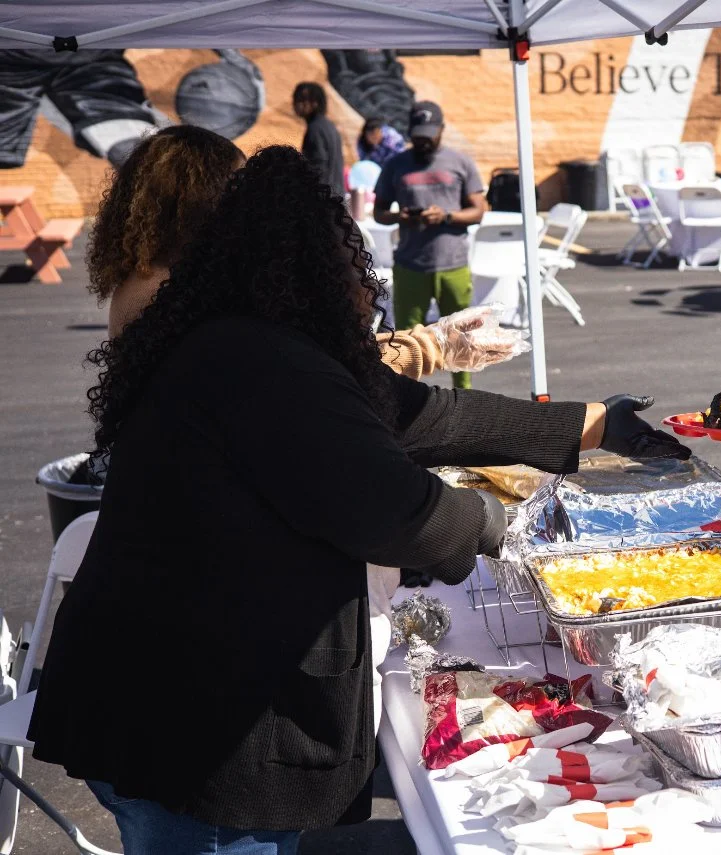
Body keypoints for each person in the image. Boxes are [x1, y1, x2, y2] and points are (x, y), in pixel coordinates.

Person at [28, 145, 686, 855]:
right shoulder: (254, 360)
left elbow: (427, 415)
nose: (361, 283)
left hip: (169, 699)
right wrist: (511, 524)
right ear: (306, 264)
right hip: (196, 729)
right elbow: (397, 514)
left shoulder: (256, 344)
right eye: (346, 259)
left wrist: (594, 422)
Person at [86, 125, 513, 380]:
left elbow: (313, 368)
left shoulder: (161, 279)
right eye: (238, 188)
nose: (248, 204)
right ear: (203, 201)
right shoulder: (179, 296)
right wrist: (433, 346)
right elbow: (311, 376)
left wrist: (433, 343)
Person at [374, 100, 487, 389]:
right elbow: (380, 211)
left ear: (442, 130)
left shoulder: (460, 162)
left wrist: (446, 215)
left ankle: (464, 395)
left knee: (461, 336)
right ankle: (408, 399)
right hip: (411, 265)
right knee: (407, 340)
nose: (424, 140)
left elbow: (478, 210)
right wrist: (401, 216)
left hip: (453, 265)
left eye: (430, 134)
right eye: (418, 135)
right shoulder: (395, 164)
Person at [293, 81, 345, 199]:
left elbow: (318, 169)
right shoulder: (328, 125)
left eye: (302, 100)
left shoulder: (315, 129)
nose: (296, 104)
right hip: (334, 198)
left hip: (324, 200)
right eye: (296, 99)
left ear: (315, 103)